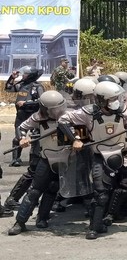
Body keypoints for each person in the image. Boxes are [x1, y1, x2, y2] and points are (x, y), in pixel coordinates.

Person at [58, 81, 127, 239]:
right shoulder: (88, 112)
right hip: (101, 156)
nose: (116, 102)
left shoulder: (122, 110)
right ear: (102, 100)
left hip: (123, 154)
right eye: (112, 99)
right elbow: (63, 120)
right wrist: (74, 139)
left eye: (116, 98)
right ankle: (95, 227)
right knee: (101, 194)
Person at [8, 91, 70, 235]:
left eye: (59, 107)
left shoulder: (70, 115)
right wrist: (22, 138)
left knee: (53, 188)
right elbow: (22, 127)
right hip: (47, 157)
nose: (57, 111)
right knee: (35, 190)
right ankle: (20, 222)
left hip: (66, 158)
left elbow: (84, 130)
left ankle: (42, 218)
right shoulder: (39, 117)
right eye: (53, 109)